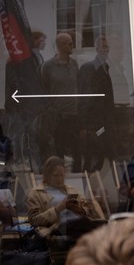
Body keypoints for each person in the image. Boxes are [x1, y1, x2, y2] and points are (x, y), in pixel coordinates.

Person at [40, 32, 81, 171]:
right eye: (68, 43)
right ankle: (59, 176)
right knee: (59, 148)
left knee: (76, 147)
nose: (71, 45)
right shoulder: (48, 66)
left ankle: (77, 175)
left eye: (71, 42)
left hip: (74, 114)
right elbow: (43, 89)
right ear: (60, 45)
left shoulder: (74, 64)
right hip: (58, 115)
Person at [78, 35, 115, 172]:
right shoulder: (90, 68)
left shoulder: (105, 68)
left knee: (101, 154)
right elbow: (85, 97)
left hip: (103, 122)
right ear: (97, 48)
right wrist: (85, 125)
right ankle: (88, 183)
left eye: (107, 47)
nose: (106, 50)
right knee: (92, 154)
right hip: (93, 122)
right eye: (104, 47)